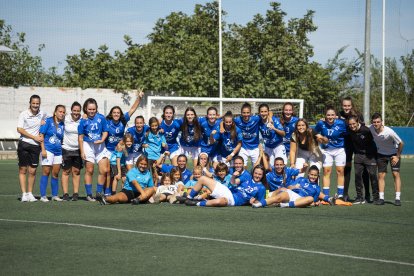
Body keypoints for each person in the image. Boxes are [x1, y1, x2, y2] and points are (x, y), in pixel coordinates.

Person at [104, 90, 144, 195]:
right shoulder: (106, 121)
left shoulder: (123, 120)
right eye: (114, 112)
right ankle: (107, 192)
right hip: (108, 150)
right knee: (108, 172)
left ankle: (123, 192)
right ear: (111, 114)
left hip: (121, 150)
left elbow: (132, 109)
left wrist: (139, 98)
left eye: (118, 113)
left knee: (122, 173)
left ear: (120, 114)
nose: (116, 114)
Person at [180, 165, 267, 207]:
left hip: (233, 201)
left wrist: (253, 202)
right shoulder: (246, 177)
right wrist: (233, 176)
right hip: (227, 191)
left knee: (222, 201)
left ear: (263, 175)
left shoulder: (261, 188)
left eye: (260, 174)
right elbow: (233, 183)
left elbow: (260, 202)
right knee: (202, 178)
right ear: (253, 173)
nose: (257, 175)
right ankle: (189, 197)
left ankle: (197, 203)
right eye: (256, 173)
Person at [252, 165, 334, 208]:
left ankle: (286, 205)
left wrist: (316, 203)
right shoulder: (301, 179)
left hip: (300, 199)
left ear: (317, 176)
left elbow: (312, 202)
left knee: (310, 198)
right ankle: (258, 204)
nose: (313, 177)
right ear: (308, 174)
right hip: (291, 194)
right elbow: (289, 188)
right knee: (278, 197)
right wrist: (294, 187)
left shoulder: (317, 188)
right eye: (311, 174)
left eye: (315, 175)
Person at [78, 98, 110, 201]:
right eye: (89, 109)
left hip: (100, 145)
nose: (91, 111)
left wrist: (102, 140)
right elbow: (80, 137)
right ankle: (89, 194)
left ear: (96, 109)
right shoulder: (83, 121)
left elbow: (105, 131)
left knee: (104, 170)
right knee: (89, 170)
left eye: (93, 109)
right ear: (86, 109)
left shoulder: (101, 118)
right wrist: (82, 151)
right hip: (88, 145)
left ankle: (98, 193)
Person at [17, 95, 48, 202]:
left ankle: (30, 193)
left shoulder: (42, 113)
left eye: (37, 103)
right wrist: (34, 137)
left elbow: (53, 118)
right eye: (33, 103)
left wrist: (44, 122)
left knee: (33, 171)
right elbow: (19, 129)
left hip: (35, 146)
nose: (35, 105)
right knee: (23, 169)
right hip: (24, 144)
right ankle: (24, 194)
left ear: (40, 103)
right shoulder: (24, 114)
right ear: (30, 103)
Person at [339, 96, 370, 202]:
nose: (346, 107)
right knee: (347, 168)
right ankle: (345, 194)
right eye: (344, 105)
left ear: (351, 106)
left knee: (364, 170)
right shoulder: (339, 115)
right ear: (342, 106)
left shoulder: (358, 115)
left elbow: (363, 129)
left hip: (358, 144)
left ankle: (367, 195)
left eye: (348, 105)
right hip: (346, 144)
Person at [370, 113, 404, 206]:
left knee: (395, 174)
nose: (376, 124)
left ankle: (397, 198)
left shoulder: (389, 132)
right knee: (381, 175)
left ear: (382, 122)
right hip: (381, 154)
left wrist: (397, 156)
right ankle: (381, 198)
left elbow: (401, 143)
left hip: (393, 154)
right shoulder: (371, 129)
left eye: (378, 122)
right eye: (374, 122)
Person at [315, 107, 347, 199]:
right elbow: (314, 132)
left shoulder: (341, 123)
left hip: (339, 149)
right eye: (328, 115)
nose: (330, 117)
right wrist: (320, 137)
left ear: (336, 116)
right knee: (326, 171)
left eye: (332, 115)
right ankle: (326, 195)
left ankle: (340, 195)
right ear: (325, 116)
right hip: (326, 150)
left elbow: (348, 133)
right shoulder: (321, 123)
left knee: (340, 171)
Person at [347, 116, 380, 205]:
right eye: (350, 124)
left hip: (370, 156)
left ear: (358, 122)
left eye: (353, 123)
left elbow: (374, 142)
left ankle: (376, 198)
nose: (352, 126)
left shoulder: (366, 130)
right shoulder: (349, 130)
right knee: (358, 176)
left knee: (373, 176)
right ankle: (359, 197)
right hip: (358, 155)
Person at [39, 105, 66, 202]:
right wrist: (43, 150)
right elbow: (41, 135)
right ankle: (43, 196)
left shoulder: (63, 124)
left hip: (58, 152)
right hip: (48, 150)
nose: (62, 114)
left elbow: (61, 139)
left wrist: (62, 153)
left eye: (63, 112)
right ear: (55, 112)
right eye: (60, 111)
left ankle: (54, 195)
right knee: (46, 172)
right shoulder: (48, 121)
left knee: (55, 173)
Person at [61, 101, 82, 201]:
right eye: (74, 110)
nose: (76, 112)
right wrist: (43, 121)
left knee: (76, 171)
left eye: (78, 111)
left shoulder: (83, 119)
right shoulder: (65, 118)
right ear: (71, 110)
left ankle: (75, 194)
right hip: (66, 148)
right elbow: (53, 117)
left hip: (78, 149)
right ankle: (65, 194)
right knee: (66, 171)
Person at [233, 103, 261, 167]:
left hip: (255, 147)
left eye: (248, 112)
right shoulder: (237, 120)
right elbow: (226, 118)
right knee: (241, 167)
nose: (246, 114)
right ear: (241, 113)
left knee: (256, 168)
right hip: (243, 147)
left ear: (250, 113)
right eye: (244, 113)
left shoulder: (256, 119)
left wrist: (270, 118)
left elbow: (269, 112)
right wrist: (221, 126)